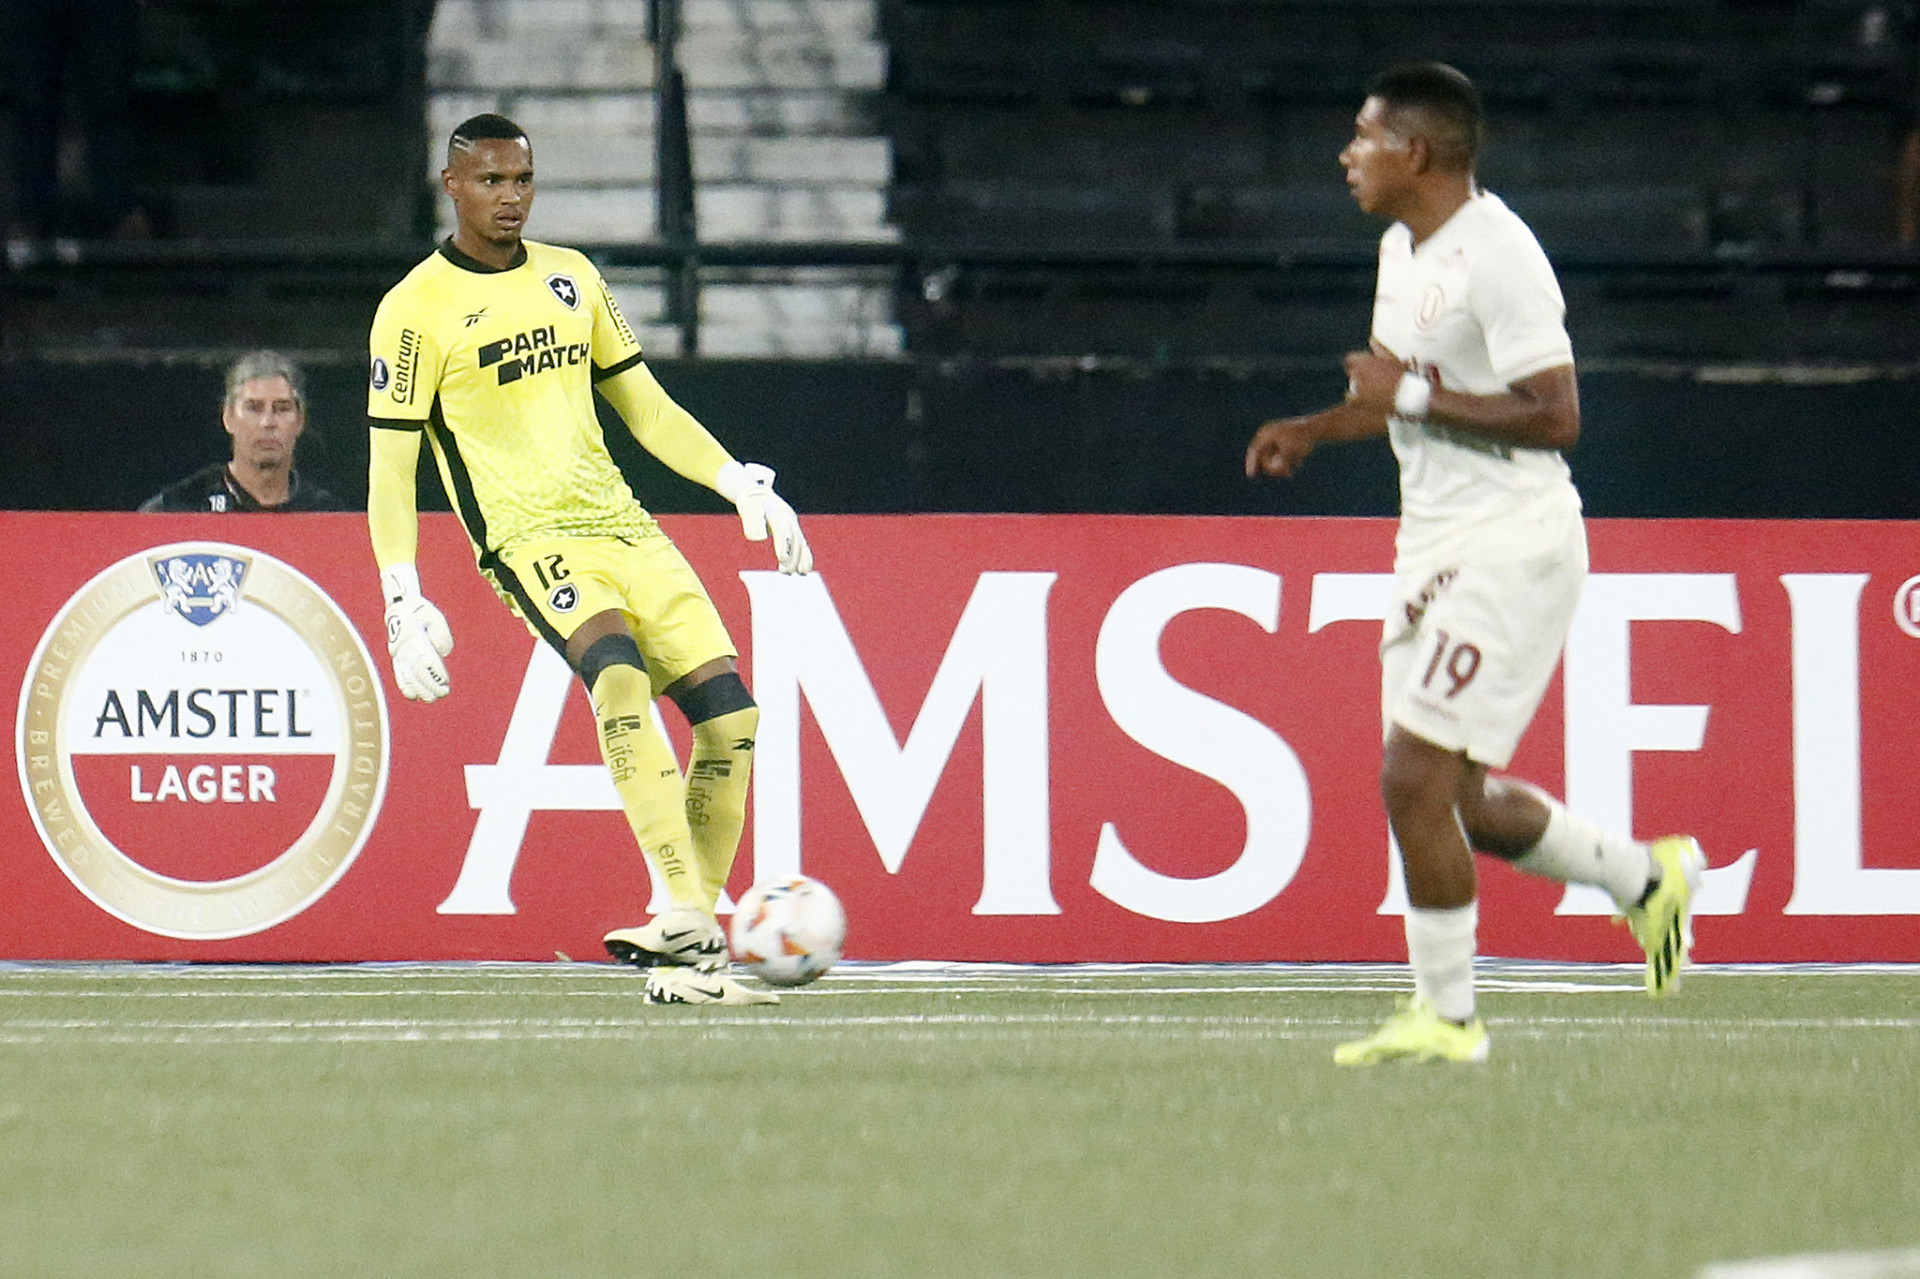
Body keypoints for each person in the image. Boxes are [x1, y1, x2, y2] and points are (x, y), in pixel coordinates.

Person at [1245, 63, 1704, 1065]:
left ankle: (1448, 1019)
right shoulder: (1400, 251)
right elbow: (1387, 387)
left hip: (1514, 543)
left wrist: (1407, 399)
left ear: (1415, 150)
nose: (1347, 154)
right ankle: (1645, 877)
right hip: (1429, 546)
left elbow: (1558, 416)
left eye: (1363, 136)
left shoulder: (1502, 258)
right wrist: (1317, 428)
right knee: (1457, 801)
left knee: (1409, 775)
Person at [365, 113, 813, 1006]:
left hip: (626, 525)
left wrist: (738, 483)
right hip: (529, 537)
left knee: (731, 718)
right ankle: (686, 914)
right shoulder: (413, 310)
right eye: (490, 181)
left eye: (522, 180)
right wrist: (400, 596)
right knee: (617, 674)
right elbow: (392, 465)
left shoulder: (573, 278)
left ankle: (686, 941)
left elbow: (644, 407)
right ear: (451, 186)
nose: (510, 197)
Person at [140, 350, 343, 512]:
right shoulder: (180, 507)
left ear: (300, 420)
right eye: (254, 408)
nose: (268, 422)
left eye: (282, 408)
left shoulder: (324, 514)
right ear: (228, 417)